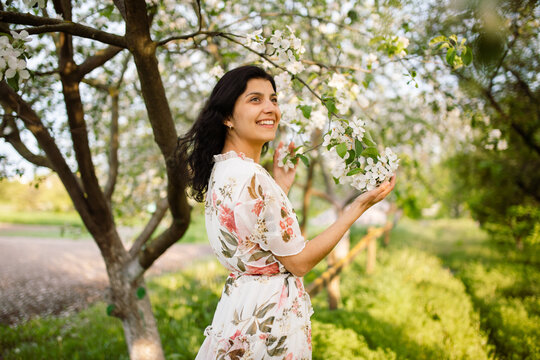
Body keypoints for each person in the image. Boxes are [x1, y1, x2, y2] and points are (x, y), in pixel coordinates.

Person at [178, 65, 396, 359]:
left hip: (240, 313)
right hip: (268, 329)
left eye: (274, 99)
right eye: (255, 99)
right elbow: (299, 262)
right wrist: (359, 205)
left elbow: (256, 241)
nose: (270, 108)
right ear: (227, 117)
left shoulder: (224, 170)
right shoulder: (253, 178)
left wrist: (280, 186)